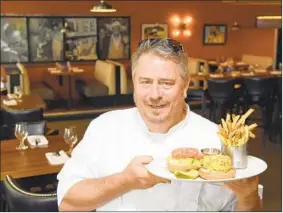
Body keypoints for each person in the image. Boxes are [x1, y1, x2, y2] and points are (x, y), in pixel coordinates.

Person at [57, 38, 261, 211]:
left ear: (185, 85)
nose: (154, 95)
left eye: (166, 83)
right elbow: (67, 203)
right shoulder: (104, 128)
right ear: (134, 83)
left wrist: (249, 196)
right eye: (145, 82)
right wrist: (124, 180)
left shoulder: (217, 138)